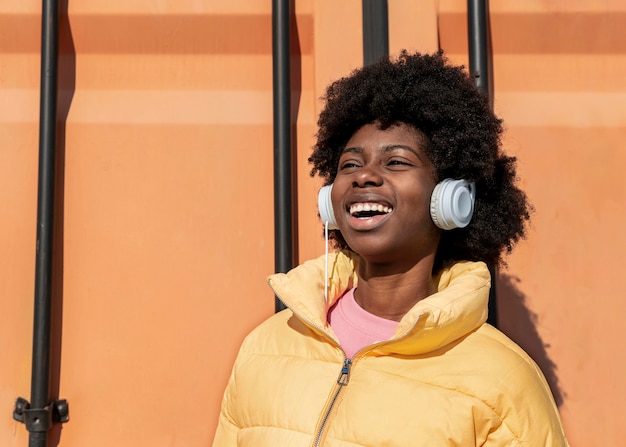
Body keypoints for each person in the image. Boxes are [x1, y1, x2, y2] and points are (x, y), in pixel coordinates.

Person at [212, 50, 569, 446]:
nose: (365, 175)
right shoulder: (265, 346)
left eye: (396, 162)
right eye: (349, 165)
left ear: (451, 200)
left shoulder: (504, 380)